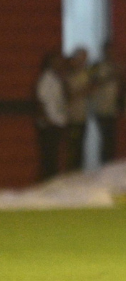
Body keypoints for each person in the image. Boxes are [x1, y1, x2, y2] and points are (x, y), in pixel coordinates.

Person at [34, 51, 67, 181]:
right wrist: (47, 120)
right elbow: (40, 101)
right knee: (49, 158)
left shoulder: (56, 79)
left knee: (54, 157)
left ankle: (52, 182)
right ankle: (48, 184)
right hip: (50, 123)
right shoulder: (46, 79)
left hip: (57, 122)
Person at [90, 42, 124, 165]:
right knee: (104, 140)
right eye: (109, 50)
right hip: (100, 108)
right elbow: (92, 84)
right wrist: (110, 76)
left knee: (111, 141)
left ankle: (110, 166)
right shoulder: (97, 66)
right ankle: (103, 166)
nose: (111, 53)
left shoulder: (116, 66)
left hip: (112, 108)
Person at [63, 48, 90, 172]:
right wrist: (84, 91)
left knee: (80, 147)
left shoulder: (85, 74)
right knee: (72, 148)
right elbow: (68, 96)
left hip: (82, 116)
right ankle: (71, 173)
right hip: (72, 117)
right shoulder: (67, 75)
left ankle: (79, 172)